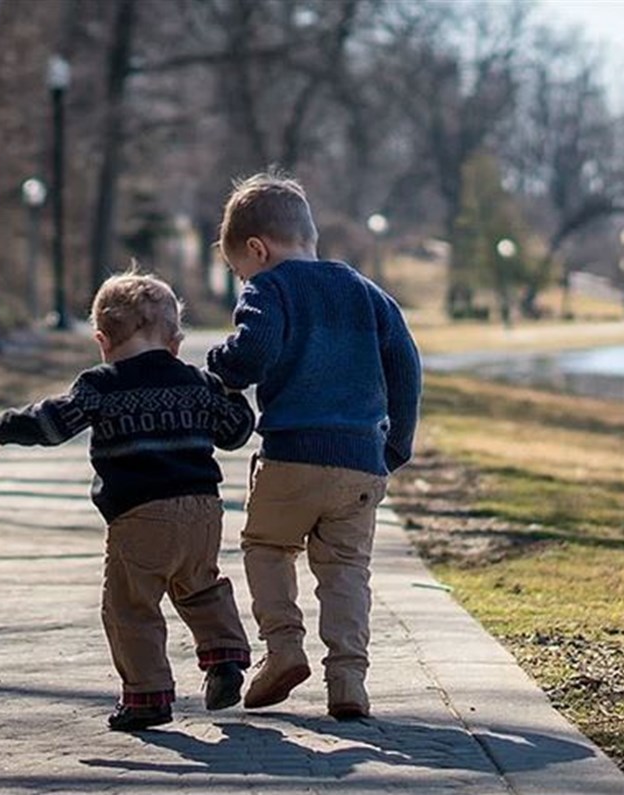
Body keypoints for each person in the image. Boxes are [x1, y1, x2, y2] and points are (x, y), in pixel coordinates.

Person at [0, 272, 255, 732]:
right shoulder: (197, 382)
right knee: (200, 585)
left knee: (130, 606)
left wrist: (4, 427)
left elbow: (52, 424)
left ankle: (147, 697)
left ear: (102, 341)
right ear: (175, 342)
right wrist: (232, 392)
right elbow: (235, 432)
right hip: (202, 511)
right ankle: (225, 658)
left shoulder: (100, 385)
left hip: (140, 514)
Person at [207, 172, 422, 720]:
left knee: (266, 547)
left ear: (258, 249)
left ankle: (283, 648)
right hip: (360, 462)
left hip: (292, 456)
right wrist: (395, 446)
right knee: (346, 568)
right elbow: (406, 367)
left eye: (241, 270)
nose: (244, 279)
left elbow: (253, 352)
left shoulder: (270, 288)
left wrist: (220, 366)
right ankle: (348, 680)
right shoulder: (368, 293)